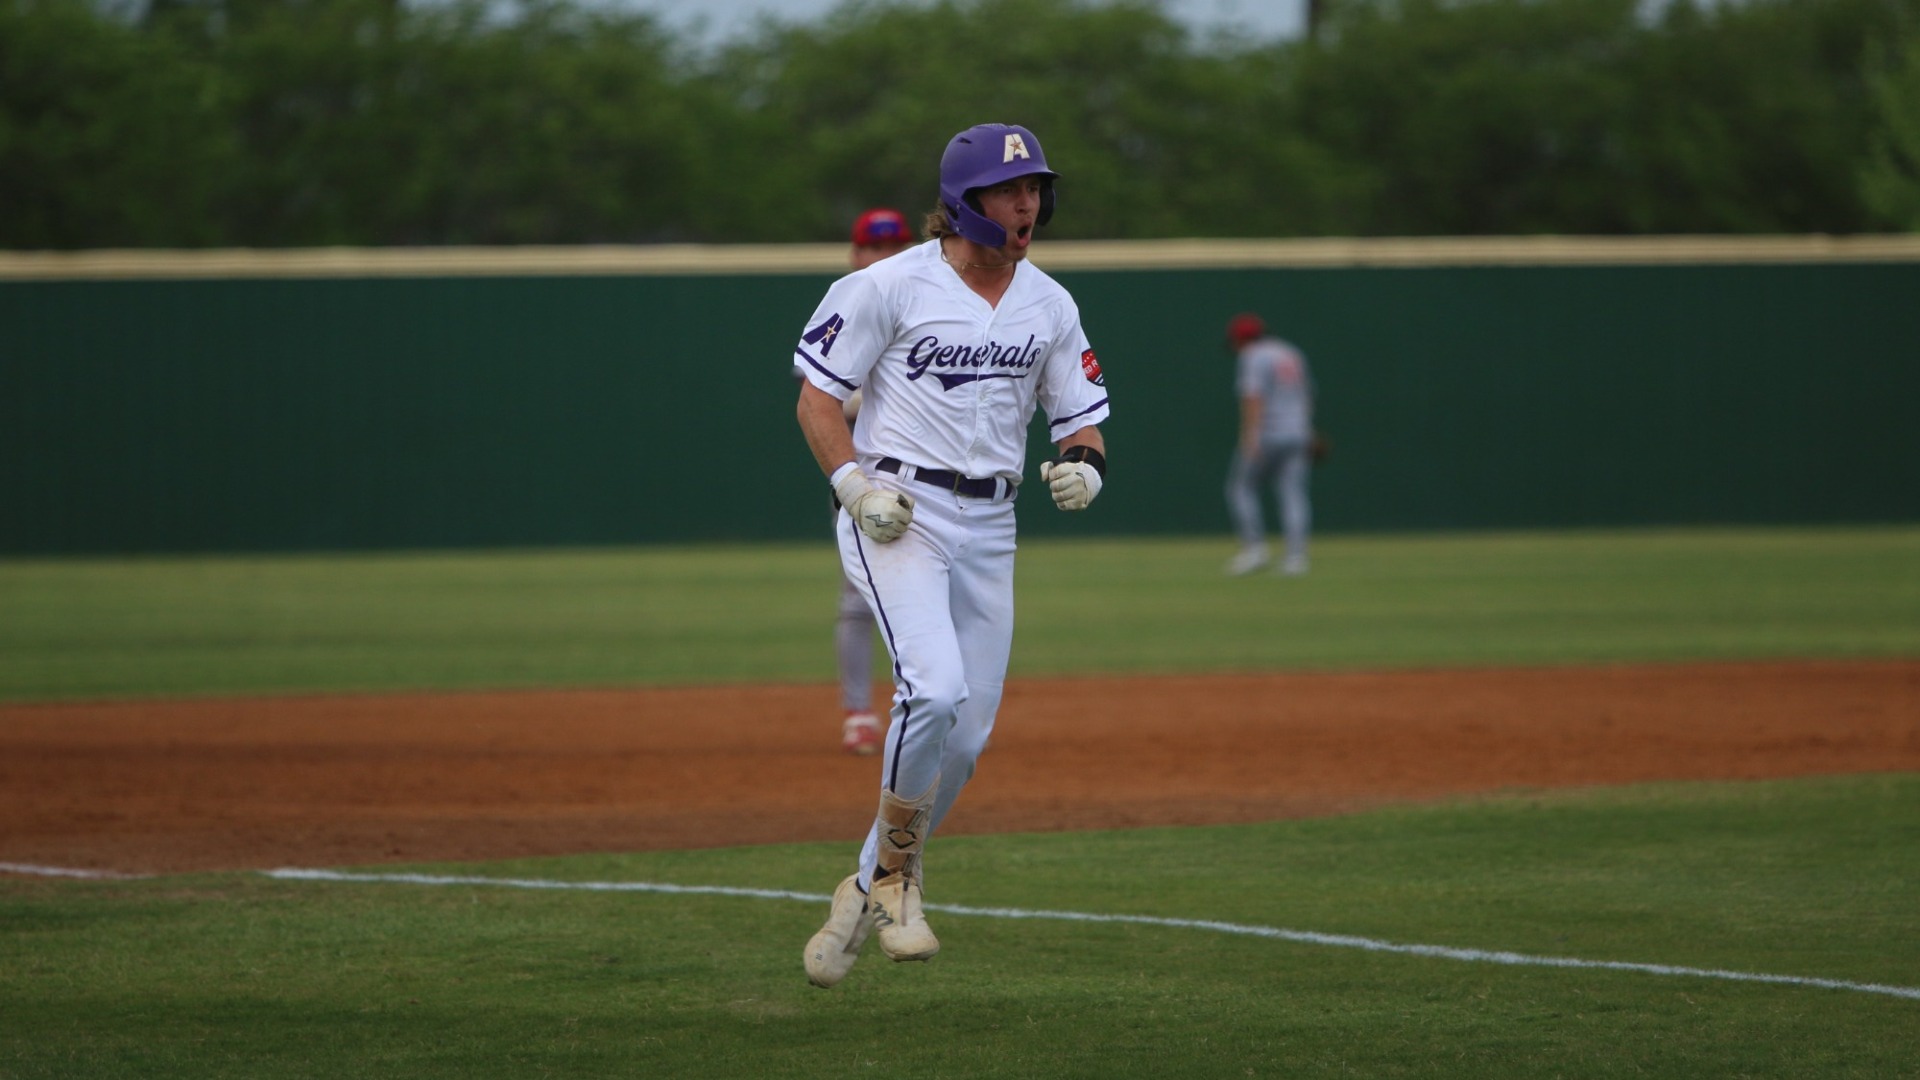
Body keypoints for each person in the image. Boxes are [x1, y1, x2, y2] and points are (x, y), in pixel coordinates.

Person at [791, 122, 1111, 988]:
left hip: (992, 524)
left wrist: (1084, 464)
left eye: (1036, 189)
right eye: (1010, 192)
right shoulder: (886, 286)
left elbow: (1081, 417)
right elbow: (817, 401)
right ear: (966, 204)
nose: (1028, 205)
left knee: (965, 739)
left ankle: (865, 882)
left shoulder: (1048, 301)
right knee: (932, 688)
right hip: (899, 511)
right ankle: (897, 878)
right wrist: (855, 485)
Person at [803, 208, 916, 755]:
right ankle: (858, 713)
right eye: (874, 246)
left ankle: (923, 706)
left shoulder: (929, 302)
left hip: (929, 463)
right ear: (856, 254)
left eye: (895, 244)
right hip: (862, 459)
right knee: (857, 596)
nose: (884, 254)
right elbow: (819, 395)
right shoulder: (848, 301)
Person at [1223, 312, 1315, 576]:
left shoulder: (1253, 355)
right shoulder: (1291, 352)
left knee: (1241, 487)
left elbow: (1253, 396)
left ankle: (1255, 550)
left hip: (1268, 433)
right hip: (1298, 432)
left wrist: (1250, 436)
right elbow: (1307, 395)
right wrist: (1307, 430)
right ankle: (1296, 558)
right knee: (1292, 493)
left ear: (1241, 340)